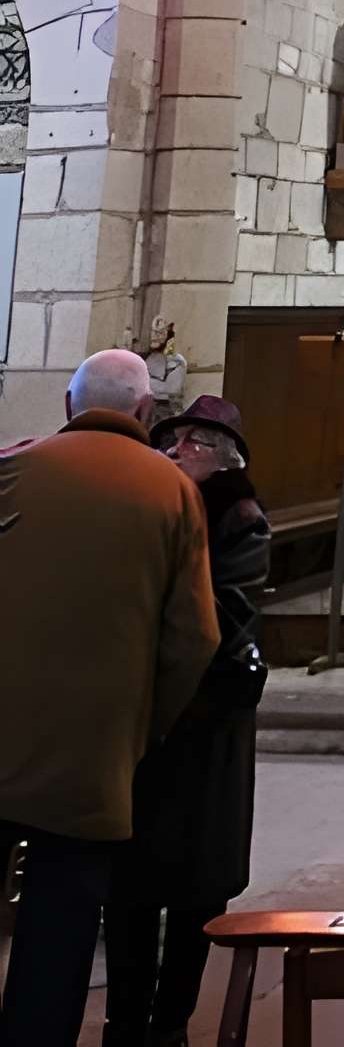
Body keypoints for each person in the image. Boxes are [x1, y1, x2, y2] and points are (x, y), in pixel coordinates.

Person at [0, 350, 217, 1047]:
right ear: (147, 414)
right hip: (93, 754)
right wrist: (142, 730)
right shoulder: (172, 492)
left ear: (69, 407)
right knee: (57, 940)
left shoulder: (12, 468)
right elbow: (196, 639)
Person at [102, 396, 271, 1047]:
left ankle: (170, 1026)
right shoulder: (151, 506)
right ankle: (124, 1024)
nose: (173, 454)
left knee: (196, 891)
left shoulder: (239, 514)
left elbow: (225, 620)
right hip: (152, 730)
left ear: (218, 458)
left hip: (204, 731)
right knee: (134, 890)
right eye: (168, 443)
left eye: (189, 445)